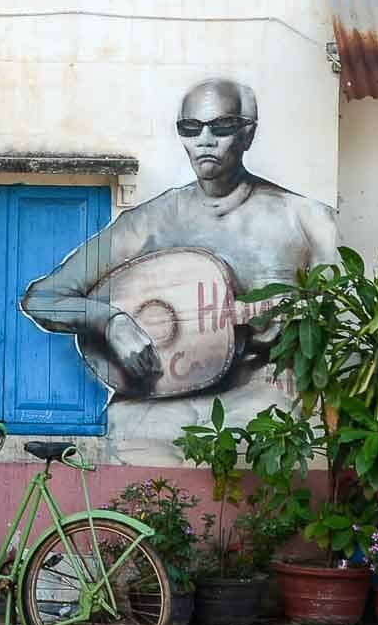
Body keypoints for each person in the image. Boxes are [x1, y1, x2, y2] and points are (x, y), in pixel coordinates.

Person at [22, 78, 338, 398]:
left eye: (222, 126)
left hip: (264, 410)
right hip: (156, 408)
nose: (205, 140)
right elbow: (42, 299)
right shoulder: (148, 222)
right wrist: (109, 321)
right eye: (190, 128)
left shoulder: (309, 220)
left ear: (248, 133)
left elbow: (340, 324)